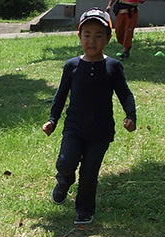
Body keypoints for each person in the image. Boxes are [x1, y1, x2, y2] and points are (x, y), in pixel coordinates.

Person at [41, 8, 136, 225]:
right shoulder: (72, 66)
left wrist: (131, 116)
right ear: (79, 36)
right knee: (65, 162)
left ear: (108, 38)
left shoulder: (113, 66)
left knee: (89, 173)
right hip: (74, 128)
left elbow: (125, 94)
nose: (92, 41)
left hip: (100, 131)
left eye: (98, 35)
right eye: (87, 35)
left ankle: (84, 209)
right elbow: (61, 94)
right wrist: (53, 120)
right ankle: (64, 180)